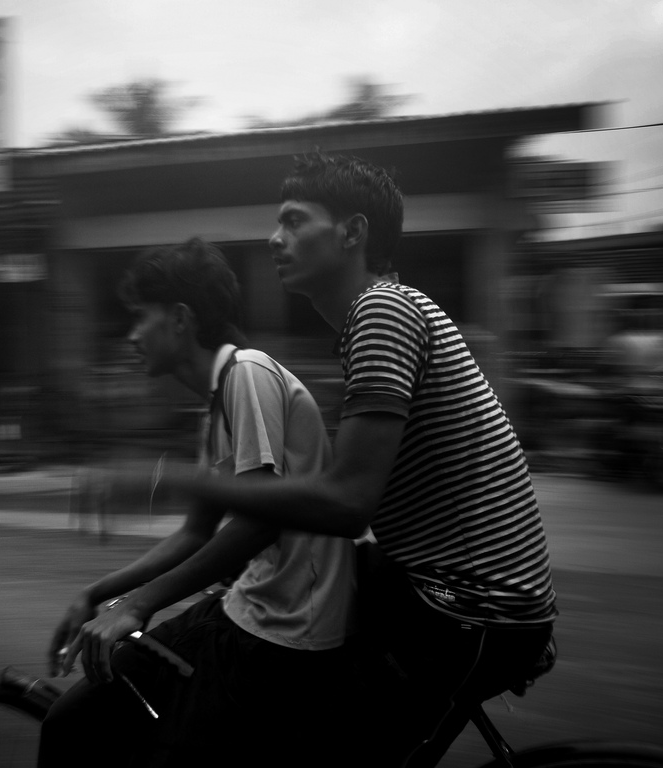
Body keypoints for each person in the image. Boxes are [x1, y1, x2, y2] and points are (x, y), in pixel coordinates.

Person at [148, 152, 559, 767]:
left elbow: (346, 501)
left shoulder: (382, 312)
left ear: (352, 232)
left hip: (468, 610)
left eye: (293, 220)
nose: (273, 238)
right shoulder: (382, 317)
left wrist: (184, 480)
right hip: (458, 595)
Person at [38, 237, 358, 767]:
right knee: (88, 715)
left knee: (105, 731)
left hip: (280, 628)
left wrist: (139, 605)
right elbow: (194, 533)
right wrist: (99, 594)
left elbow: (258, 522)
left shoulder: (248, 374)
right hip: (254, 613)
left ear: (181, 318)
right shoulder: (217, 404)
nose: (132, 335)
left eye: (141, 318)